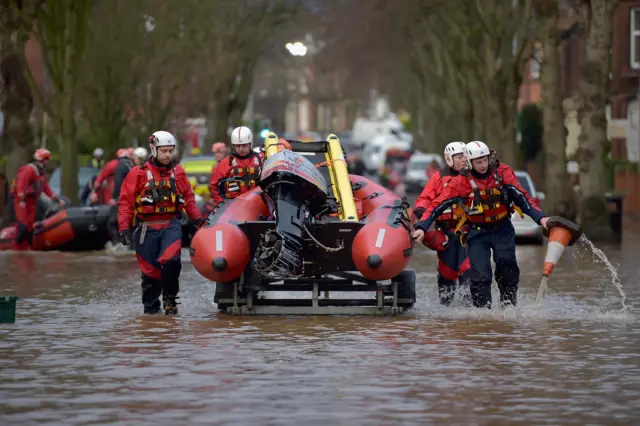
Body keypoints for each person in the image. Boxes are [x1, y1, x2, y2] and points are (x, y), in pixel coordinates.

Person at [412, 141, 550, 309]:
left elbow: (523, 197)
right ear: (469, 163)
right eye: (478, 162)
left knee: (507, 267)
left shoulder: (503, 173)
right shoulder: (461, 182)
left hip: (502, 228)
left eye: (485, 160)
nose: (483, 165)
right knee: (479, 275)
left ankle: (508, 307)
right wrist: (421, 227)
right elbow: (436, 204)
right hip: (476, 232)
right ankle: (482, 314)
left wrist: (541, 218)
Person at [117, 130, 203, 315]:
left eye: (170, 151)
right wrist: (123, 227)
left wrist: (198, 221)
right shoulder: (138, 173)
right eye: (164, 151)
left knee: (172, 262)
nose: (167, 155)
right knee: (150, 273)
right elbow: (126, 202)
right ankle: (151, 310)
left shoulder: (178, 173)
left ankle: (170, 299)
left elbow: (188, 198)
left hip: (170, 225)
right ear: (154, 150)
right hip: (146, 229)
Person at [414, 141, 471, 306]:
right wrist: (420, 211)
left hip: (468, 232)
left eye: (465, 156)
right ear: (449, 159)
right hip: (445, 233)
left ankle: (470, 310)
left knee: (467, 270)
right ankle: (446, 310)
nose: (463, 160)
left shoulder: (471, 177)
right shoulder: (438, 178)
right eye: (459, 157)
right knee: (446, 275)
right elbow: (425, 198)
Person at [11, 148, 65, 249]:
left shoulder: (41, 175)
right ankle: (16, 248)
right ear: (42, 160)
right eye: (47, 160)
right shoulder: (29, 170)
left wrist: (58, 201)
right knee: (23, 227)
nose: (48, 162)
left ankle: (27, 248)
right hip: (22, 201)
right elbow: (21, 184)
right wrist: (22, 200)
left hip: (31, 202)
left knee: (30, 229)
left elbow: (47, 190)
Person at [208, 126, 262, 207]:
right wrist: (220, 203)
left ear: (250, 144)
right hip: (234, 207)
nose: (241, 149)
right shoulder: (226, 163)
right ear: (233, 146)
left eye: (244, 145)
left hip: (257, 205)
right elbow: (214, 186)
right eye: (238, 146)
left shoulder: (260, 159)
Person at [107, 148, 135, 248]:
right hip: (133, 199)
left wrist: (115, 198)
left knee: (112, 223)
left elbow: (118, 183)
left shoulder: (120, 166)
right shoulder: (131, 166)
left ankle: (118, 244)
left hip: (123, 199)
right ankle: (131, 245)